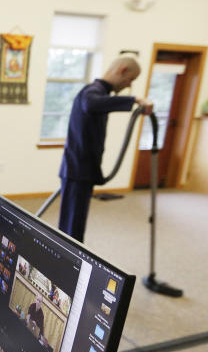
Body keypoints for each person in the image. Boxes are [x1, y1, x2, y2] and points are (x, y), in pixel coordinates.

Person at [58, 56, 154, 242]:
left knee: (73, 229)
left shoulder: (101, 93)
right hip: (77, 170)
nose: (128, 85)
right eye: (130, 79)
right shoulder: (92, 92)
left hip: (83, 171)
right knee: (72, 231)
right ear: (122, 70)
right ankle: (68, 267)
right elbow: (90, 104)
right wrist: (135, 99)